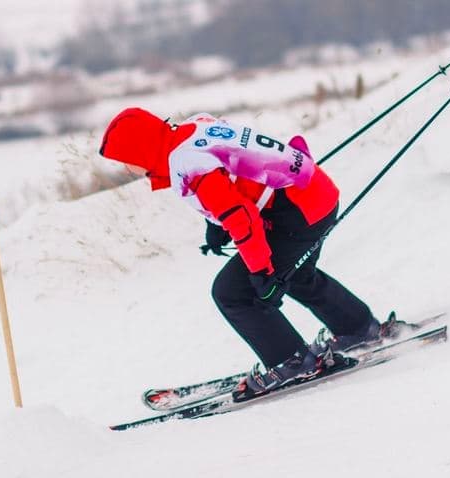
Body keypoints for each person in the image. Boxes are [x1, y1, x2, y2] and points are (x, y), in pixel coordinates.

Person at [99, 108, 383, 396]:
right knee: (295, 274)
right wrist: (215, 222)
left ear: (140, 151)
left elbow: (242, 217)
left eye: (125, 160)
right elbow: (230, 169)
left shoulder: (186, 163)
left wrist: (261, 272)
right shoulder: (192, 128)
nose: (125, 168)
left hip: (295, 211)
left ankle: (292, 361)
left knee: (232, 292)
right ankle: (357, 327)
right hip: (311, 192)